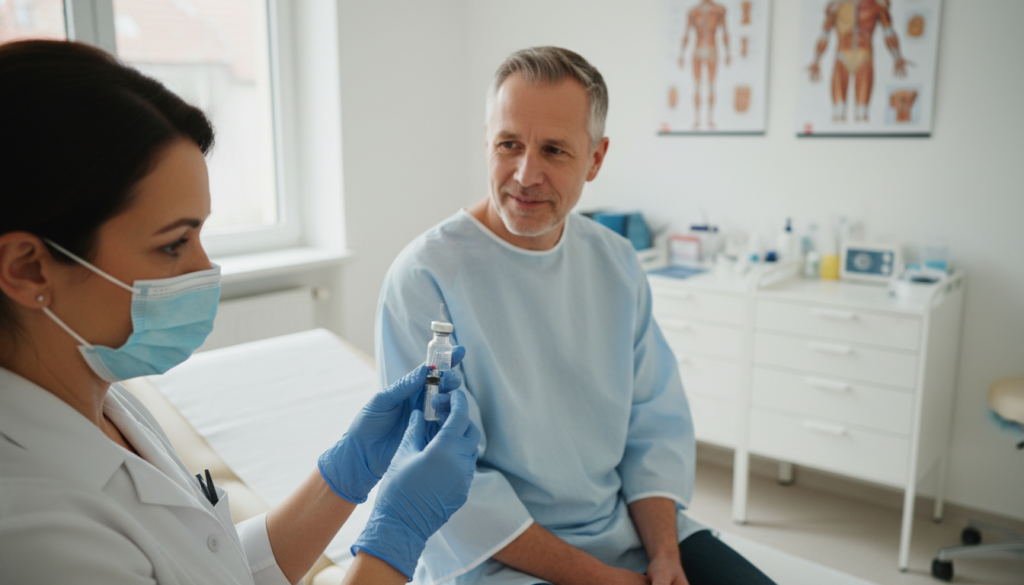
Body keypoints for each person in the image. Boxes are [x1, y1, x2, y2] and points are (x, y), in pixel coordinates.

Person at [0, 40, 479, 585]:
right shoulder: (32, 533)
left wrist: (344, 477)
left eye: (201, 234)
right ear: (28, 268)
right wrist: (398, 533)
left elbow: (216, 567)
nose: (206, 271)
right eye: (174, 244)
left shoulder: (104, 401)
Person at [376, 47, 775, 585]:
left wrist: (664, 557)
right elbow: (448, 484)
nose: (525, 173)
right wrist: (600, 578)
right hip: (493, 556)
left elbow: (653, 427)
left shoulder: (616, 264)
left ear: (596, 157)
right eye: (509, 144)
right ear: (487, 142)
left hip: (625, 531)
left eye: (555, 150)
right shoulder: (424, 278)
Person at [807, 0, 911, 123]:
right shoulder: (836, 5)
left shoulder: (877, 5)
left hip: (864, 56)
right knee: (838, 112)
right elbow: (824, 33)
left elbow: (888, 32)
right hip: (842, 55)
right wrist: (816, 59)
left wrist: (897, 56)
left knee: (862, 114)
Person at [679, 0, 731, 129]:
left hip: (712, 49)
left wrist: (728, 52)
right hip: (698, 48)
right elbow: (687, 33)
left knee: (711, 85)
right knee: (697, 86)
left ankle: (710, 118)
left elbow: (725, 32)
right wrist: (681, 54)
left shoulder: (719, 10)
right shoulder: (693, 11)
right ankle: (697, 118)